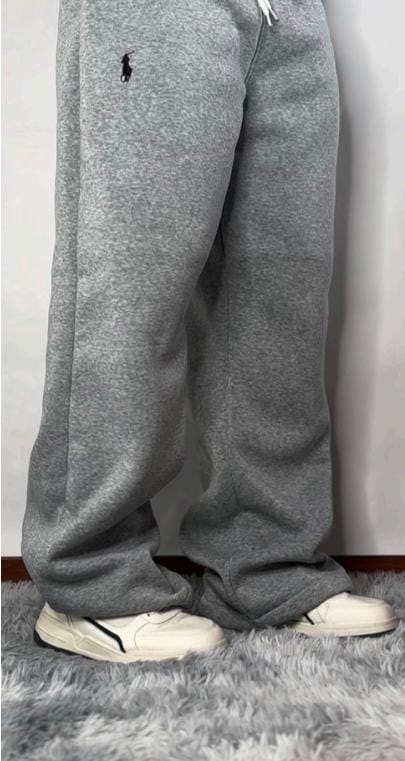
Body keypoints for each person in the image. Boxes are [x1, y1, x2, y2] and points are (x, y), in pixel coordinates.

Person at [22, 0, 397, 663]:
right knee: (130, 288)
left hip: (289, 14)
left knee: (278, 301)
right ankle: (89, 581)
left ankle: (264, 566)